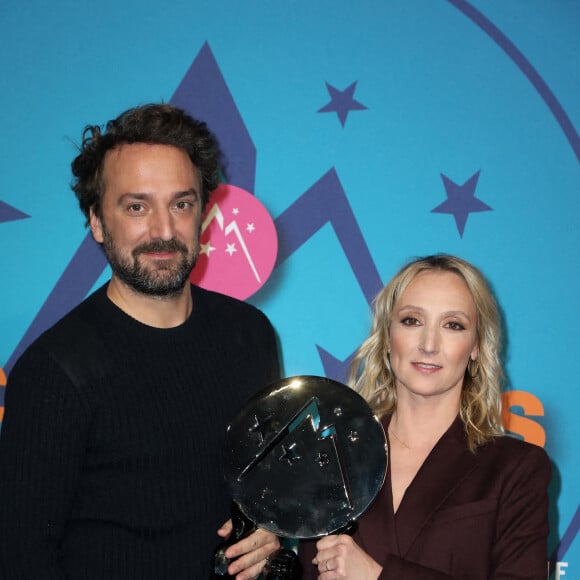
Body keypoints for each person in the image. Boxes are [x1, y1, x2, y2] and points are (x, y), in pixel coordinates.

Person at [0, 103, 281, 579]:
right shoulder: (54, 371)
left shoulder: (250, 335)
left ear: (204, 215)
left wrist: (268, 531)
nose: (164, 231)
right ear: (96, 221)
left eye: (181, 203)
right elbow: (21, 557)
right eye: (136, 207)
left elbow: (263, 491)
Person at [299, 254, 551, 579]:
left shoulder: (515, 469)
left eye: (453, 325)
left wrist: (379, 576)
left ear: (475, 346)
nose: (429, 344)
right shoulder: (333, 458)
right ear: (388, 337)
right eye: (412, 321)